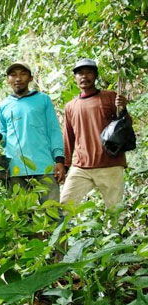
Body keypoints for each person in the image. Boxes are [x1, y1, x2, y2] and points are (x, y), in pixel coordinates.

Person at [0, 62, 65, 202]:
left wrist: (59, 160)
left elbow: (54, 131)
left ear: (31, 78)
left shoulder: (43, 99)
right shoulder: (3, 106)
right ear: (8, 80)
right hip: (16, 169)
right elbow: (5, 140)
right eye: (13, 75)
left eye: (23, 74)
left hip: (44, 167)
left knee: (53, 214)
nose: (18, 78)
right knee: (22, 217)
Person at [60, 59, 129, 209]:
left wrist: (123, 109)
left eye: (88, 72)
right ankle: (62, 233)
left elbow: (124, 127)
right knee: (64, 206)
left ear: (96, 75)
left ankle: (117, 233)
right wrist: (64, 165)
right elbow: (68, 136)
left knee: (115, 210)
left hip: (110, 164)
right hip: (81, 166)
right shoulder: (70, 106)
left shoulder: (110, 97)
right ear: (75, 78)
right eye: (80, 73)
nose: (84, 76)